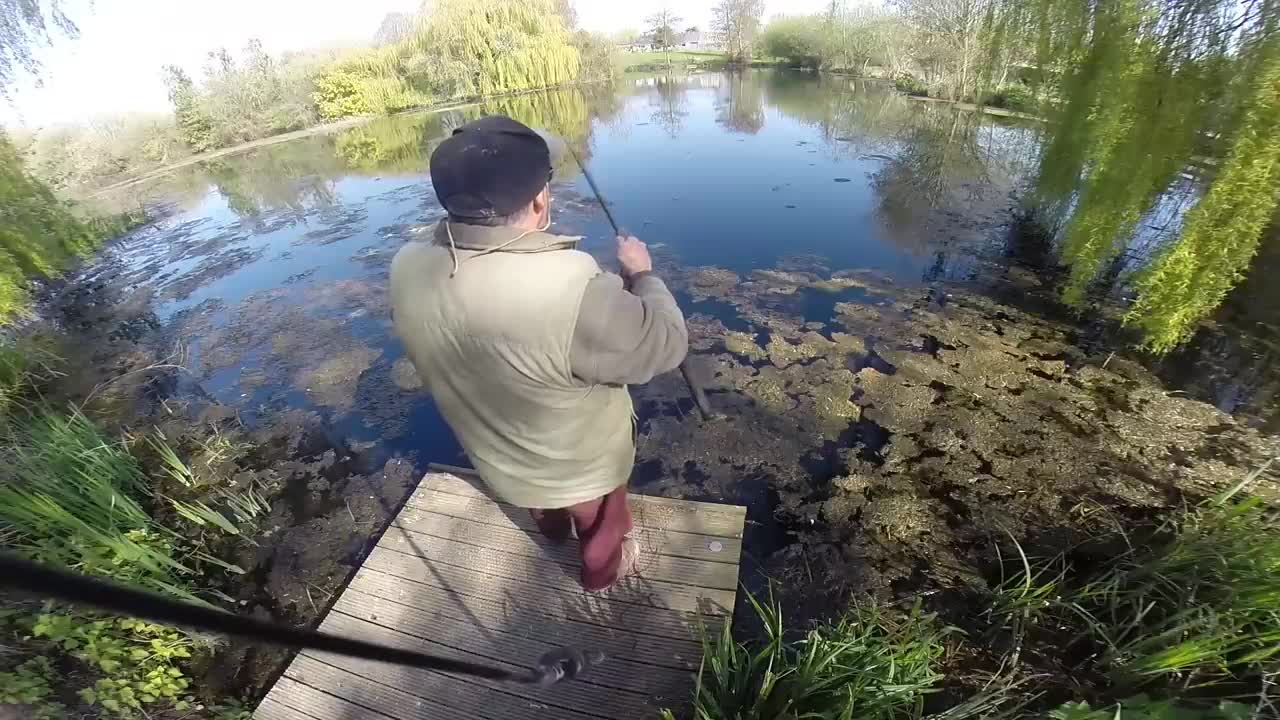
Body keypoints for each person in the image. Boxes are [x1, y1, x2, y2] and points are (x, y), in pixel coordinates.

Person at [389, 116, 689, 592]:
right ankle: (601, 575)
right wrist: (643, 276)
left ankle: (549, 533)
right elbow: (665, 345)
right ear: (539, 200)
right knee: (601, 528)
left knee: (542, 501)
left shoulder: (406, 265)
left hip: (498, 460)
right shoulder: (572, 285)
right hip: (583, 468)